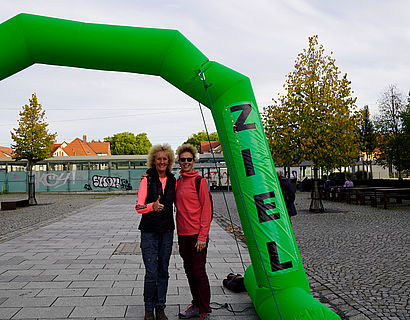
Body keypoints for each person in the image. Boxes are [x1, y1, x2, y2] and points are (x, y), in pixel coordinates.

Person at [135, 144, 176, 320]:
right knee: (151, 272)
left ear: (169, 161)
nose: (161, 162)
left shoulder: (174, 180)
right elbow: (138, 207)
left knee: (163, 271)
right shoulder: (147, 179)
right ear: (154, 160)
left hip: (167, 230)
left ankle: (160, 307)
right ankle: (148, 308)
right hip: (149, 231)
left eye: (164, 159)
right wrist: (152, 206)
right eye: (158, 159)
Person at [175, 144, 212, 320]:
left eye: (189, 159)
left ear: (194, 161)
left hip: (198, 236)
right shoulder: (178, 182)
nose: (186, 162)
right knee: (189, 271)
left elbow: (207, 210)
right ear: (179, 161)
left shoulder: (200, 182)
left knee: (199, 272)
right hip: (183, 235)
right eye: (183, 160)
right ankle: (196, 303)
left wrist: (203, 236)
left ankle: (204, 309)